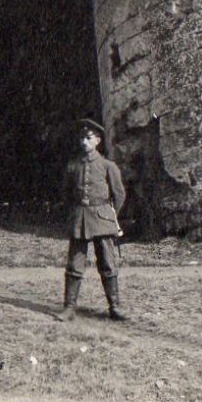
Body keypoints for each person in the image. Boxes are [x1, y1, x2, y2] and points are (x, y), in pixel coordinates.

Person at [59, 117, 128, 321]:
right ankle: (69, 307)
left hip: (102, 219)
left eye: (88, 138)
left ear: (97, 140)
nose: (84, 142)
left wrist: (108, 214)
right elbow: (66, 195)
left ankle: (114, 307)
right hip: (80, 218)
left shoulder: (108, 166)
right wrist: (74, 213)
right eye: (82, 138)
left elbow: (119, 194)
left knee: (107, 263)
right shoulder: (73, 167)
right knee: (74, 264)